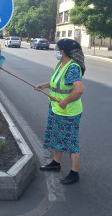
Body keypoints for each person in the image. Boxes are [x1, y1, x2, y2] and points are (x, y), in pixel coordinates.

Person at [35, 38, 85, 185]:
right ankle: (56, 163)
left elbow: (79, 90)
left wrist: (65, 101)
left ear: (62, 51)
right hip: (57, 109)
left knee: (71, 142)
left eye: (56, 48)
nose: (55, 50)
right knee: (58, 138)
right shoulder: (61, 64)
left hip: (68, 112)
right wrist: (44, 86)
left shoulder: (72, 67)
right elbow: (57, 82)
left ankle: (74, 173)